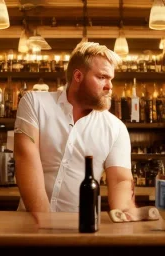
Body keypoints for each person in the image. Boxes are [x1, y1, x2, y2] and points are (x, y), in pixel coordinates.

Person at [13, 42, 158, 221]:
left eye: (111, 79)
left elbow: (120, 180)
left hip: (83, 230)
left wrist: (126, 211)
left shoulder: (116, 128)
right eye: (102, 77)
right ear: (78, 76)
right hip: (30, 226)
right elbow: (25, 160)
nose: (109, 86)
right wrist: (44, 222)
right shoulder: (35, 103)